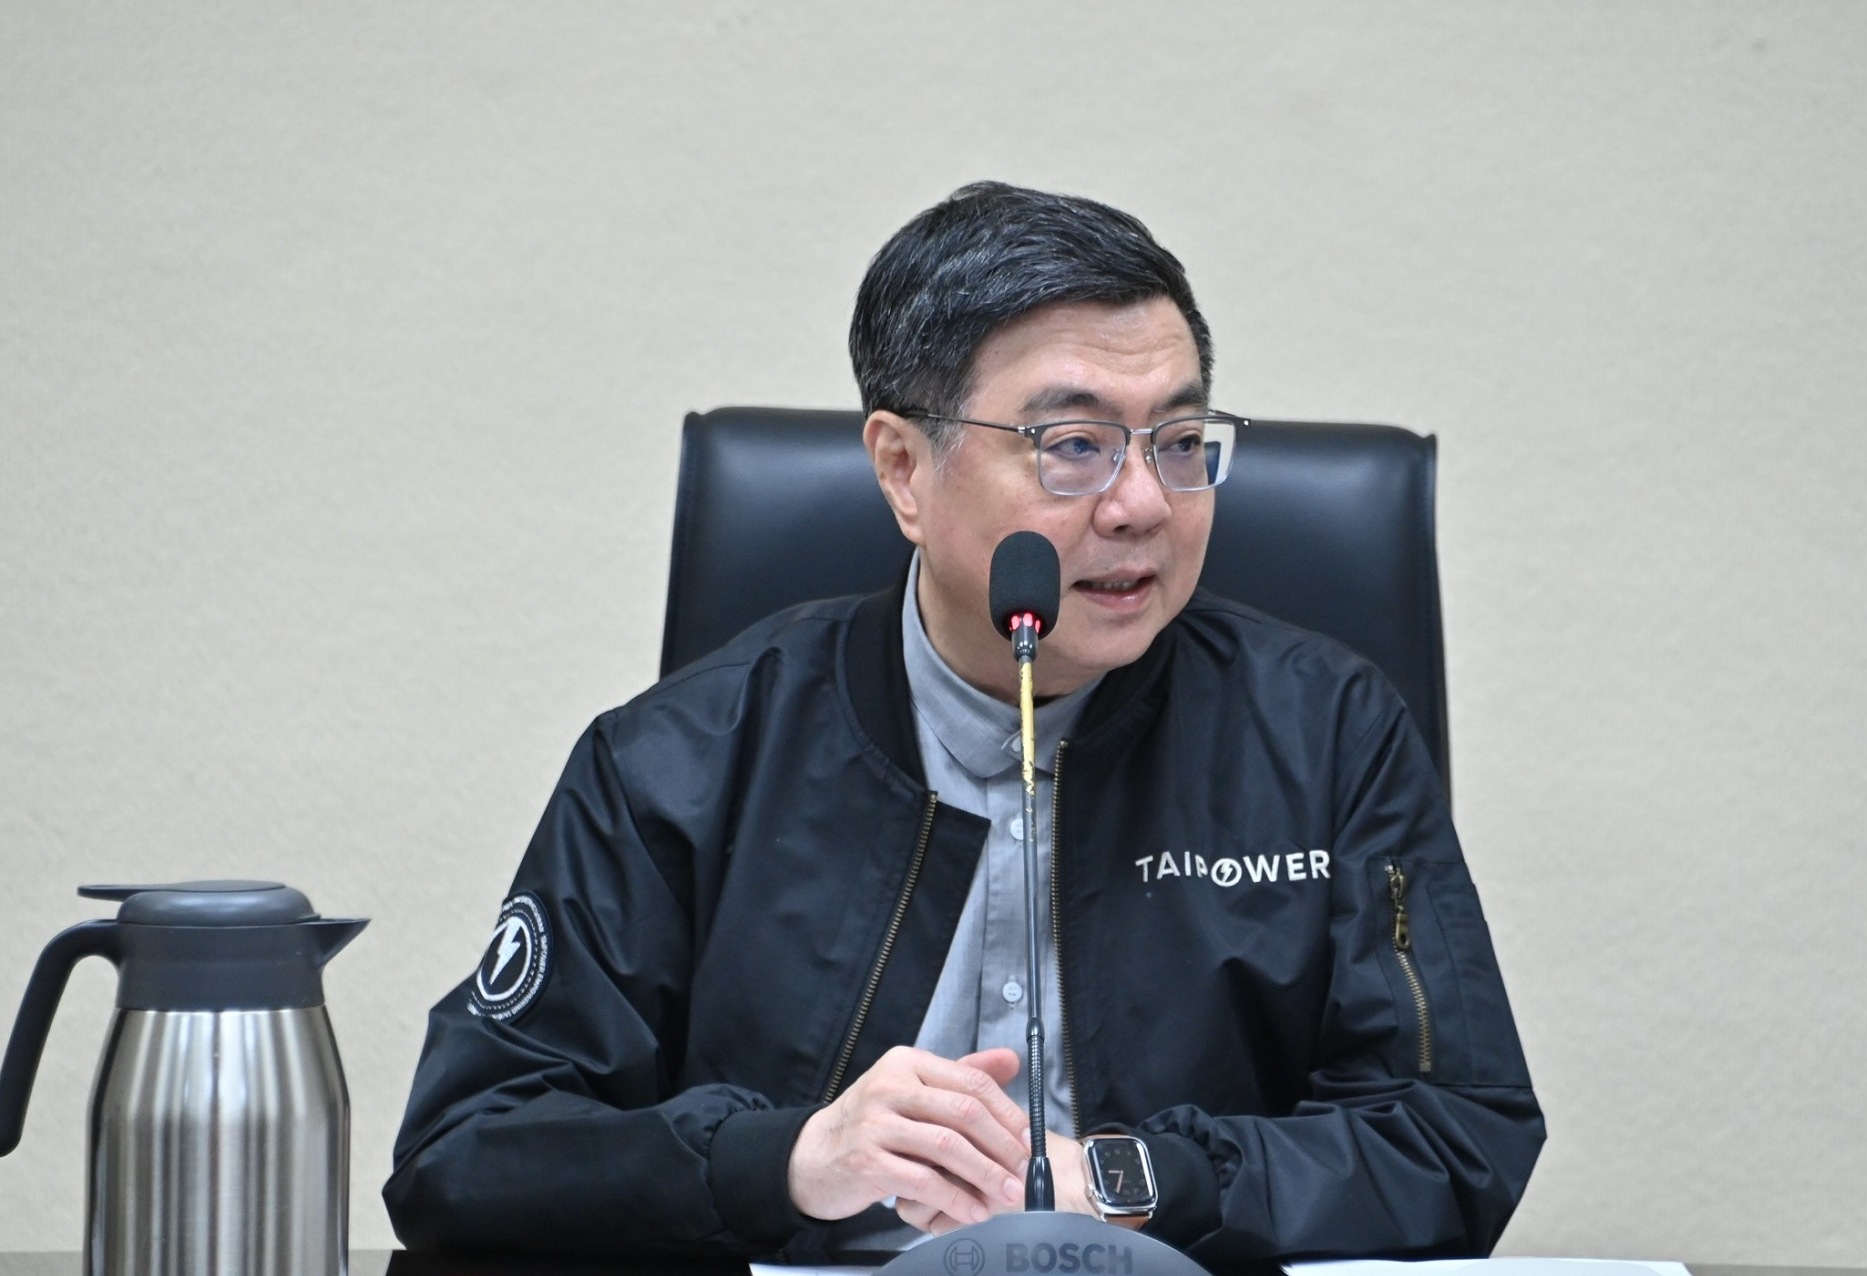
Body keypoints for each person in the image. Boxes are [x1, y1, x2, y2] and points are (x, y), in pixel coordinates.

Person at [384, 181, 1544, 1264]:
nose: (1142, 503)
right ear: (903, 469)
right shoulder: (681, 761)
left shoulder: (1325, 733)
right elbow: (467, 1154)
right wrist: (787, 1160)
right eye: (1073, 446)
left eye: (1179, 441)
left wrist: (1135, 1179)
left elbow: (1456, 1132)